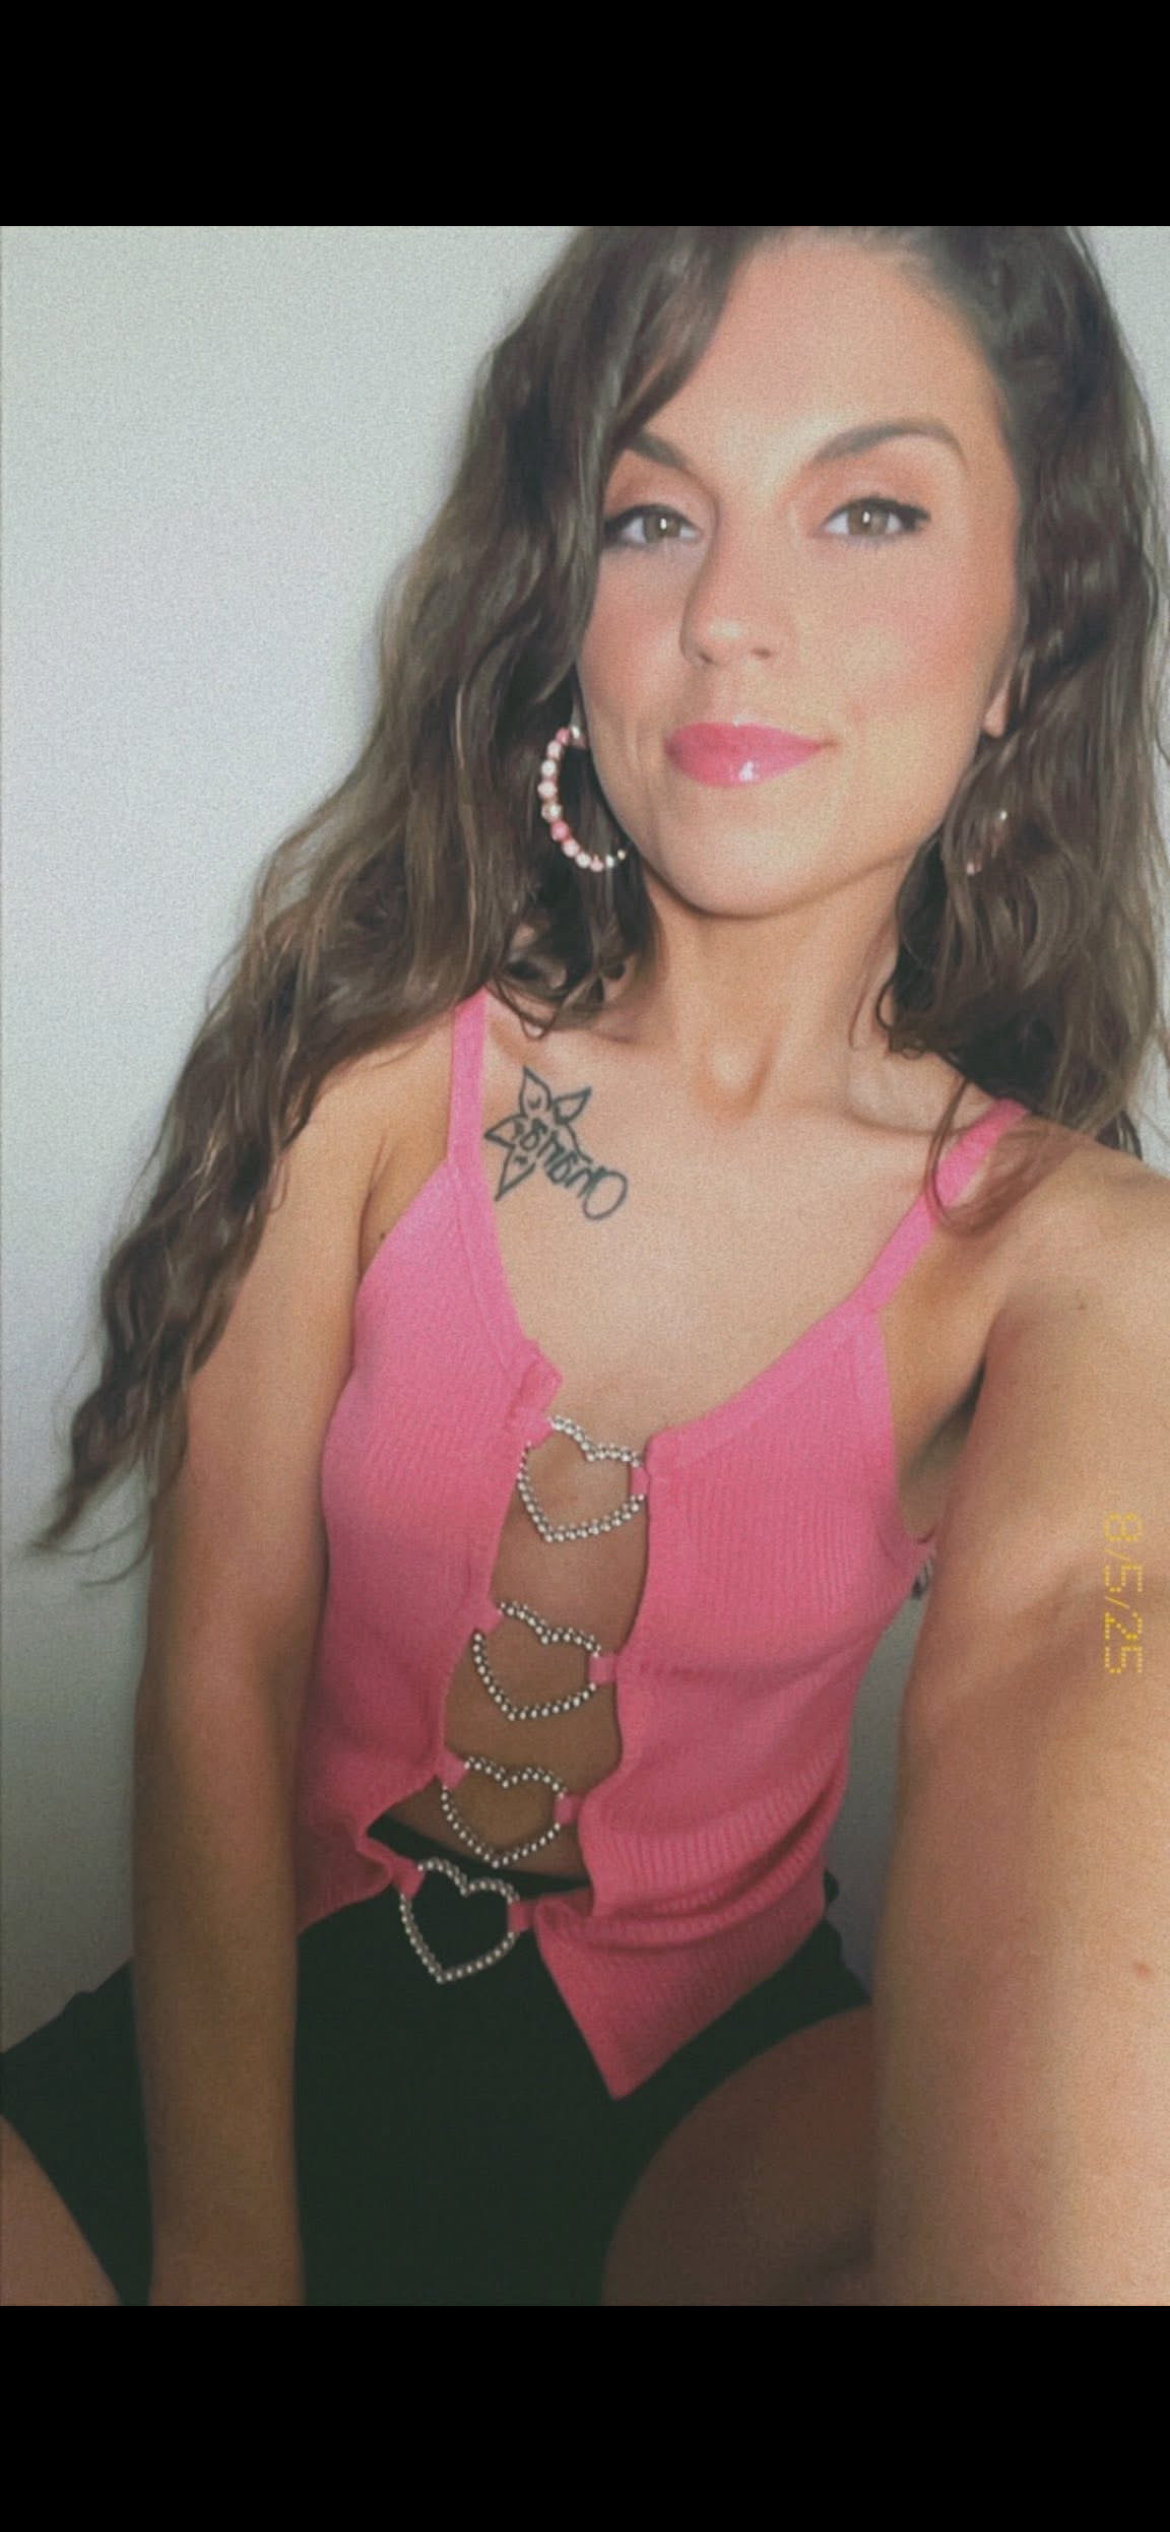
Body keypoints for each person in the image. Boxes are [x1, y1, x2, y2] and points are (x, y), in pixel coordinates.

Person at [3, 226, 1168, 2308]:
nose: (730, 616)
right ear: (567, 609)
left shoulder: (1069, 1260)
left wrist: (1122, 1631)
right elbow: (221, 1665)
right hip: (243, 2059)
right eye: (652, 516)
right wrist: (225, 2249)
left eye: (869, 510)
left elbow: (1105, 1648)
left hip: (722, 2127)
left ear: (1028, 638)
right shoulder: (368, 1075)